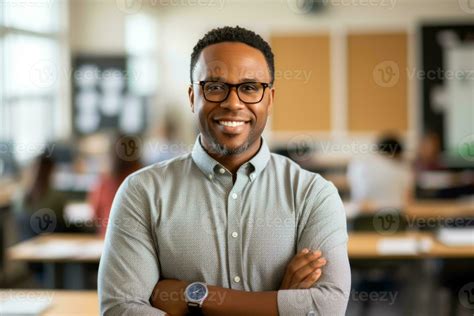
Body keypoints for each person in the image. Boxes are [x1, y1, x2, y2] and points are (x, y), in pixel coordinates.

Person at [98, 26, 350, 315]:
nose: (233, 103)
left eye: (250, 87)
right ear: (193, 97)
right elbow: (121, 309)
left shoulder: (312, 194)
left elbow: (327, 307)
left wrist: (195, 298)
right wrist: (281, 302)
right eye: (215, 87)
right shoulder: (141, 192)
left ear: (270, 99)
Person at [88, 135, 142, 237]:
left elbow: (95, 217)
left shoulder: (103, 183)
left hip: (106, 241)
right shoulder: (145, 182)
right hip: (140, 244)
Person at [347, 135, 412, 210]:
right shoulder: (402, 170)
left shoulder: (358, 165)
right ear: (396, 154)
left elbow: (356, 194)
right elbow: (408, 201)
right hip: (395, 217)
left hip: (363, 217)